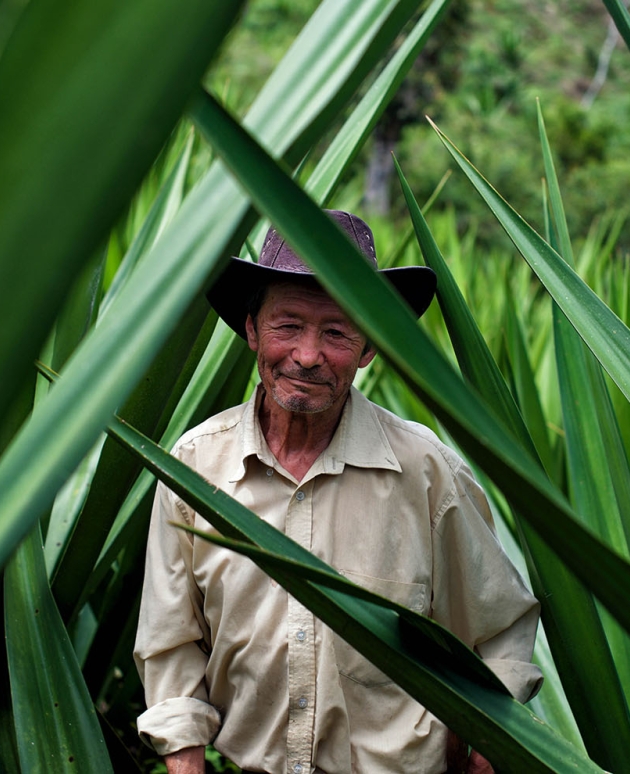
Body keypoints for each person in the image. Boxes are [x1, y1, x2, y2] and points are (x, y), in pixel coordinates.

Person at [133, 211, 542, 774]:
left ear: (368, 346)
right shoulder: (197, 465)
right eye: (287, 325)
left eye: (336, 332)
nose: (306, 354)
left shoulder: (426, 471)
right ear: (251, 329)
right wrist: (183, 761)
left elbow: (500, 631)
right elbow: (170, 640)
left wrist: (488, 750)